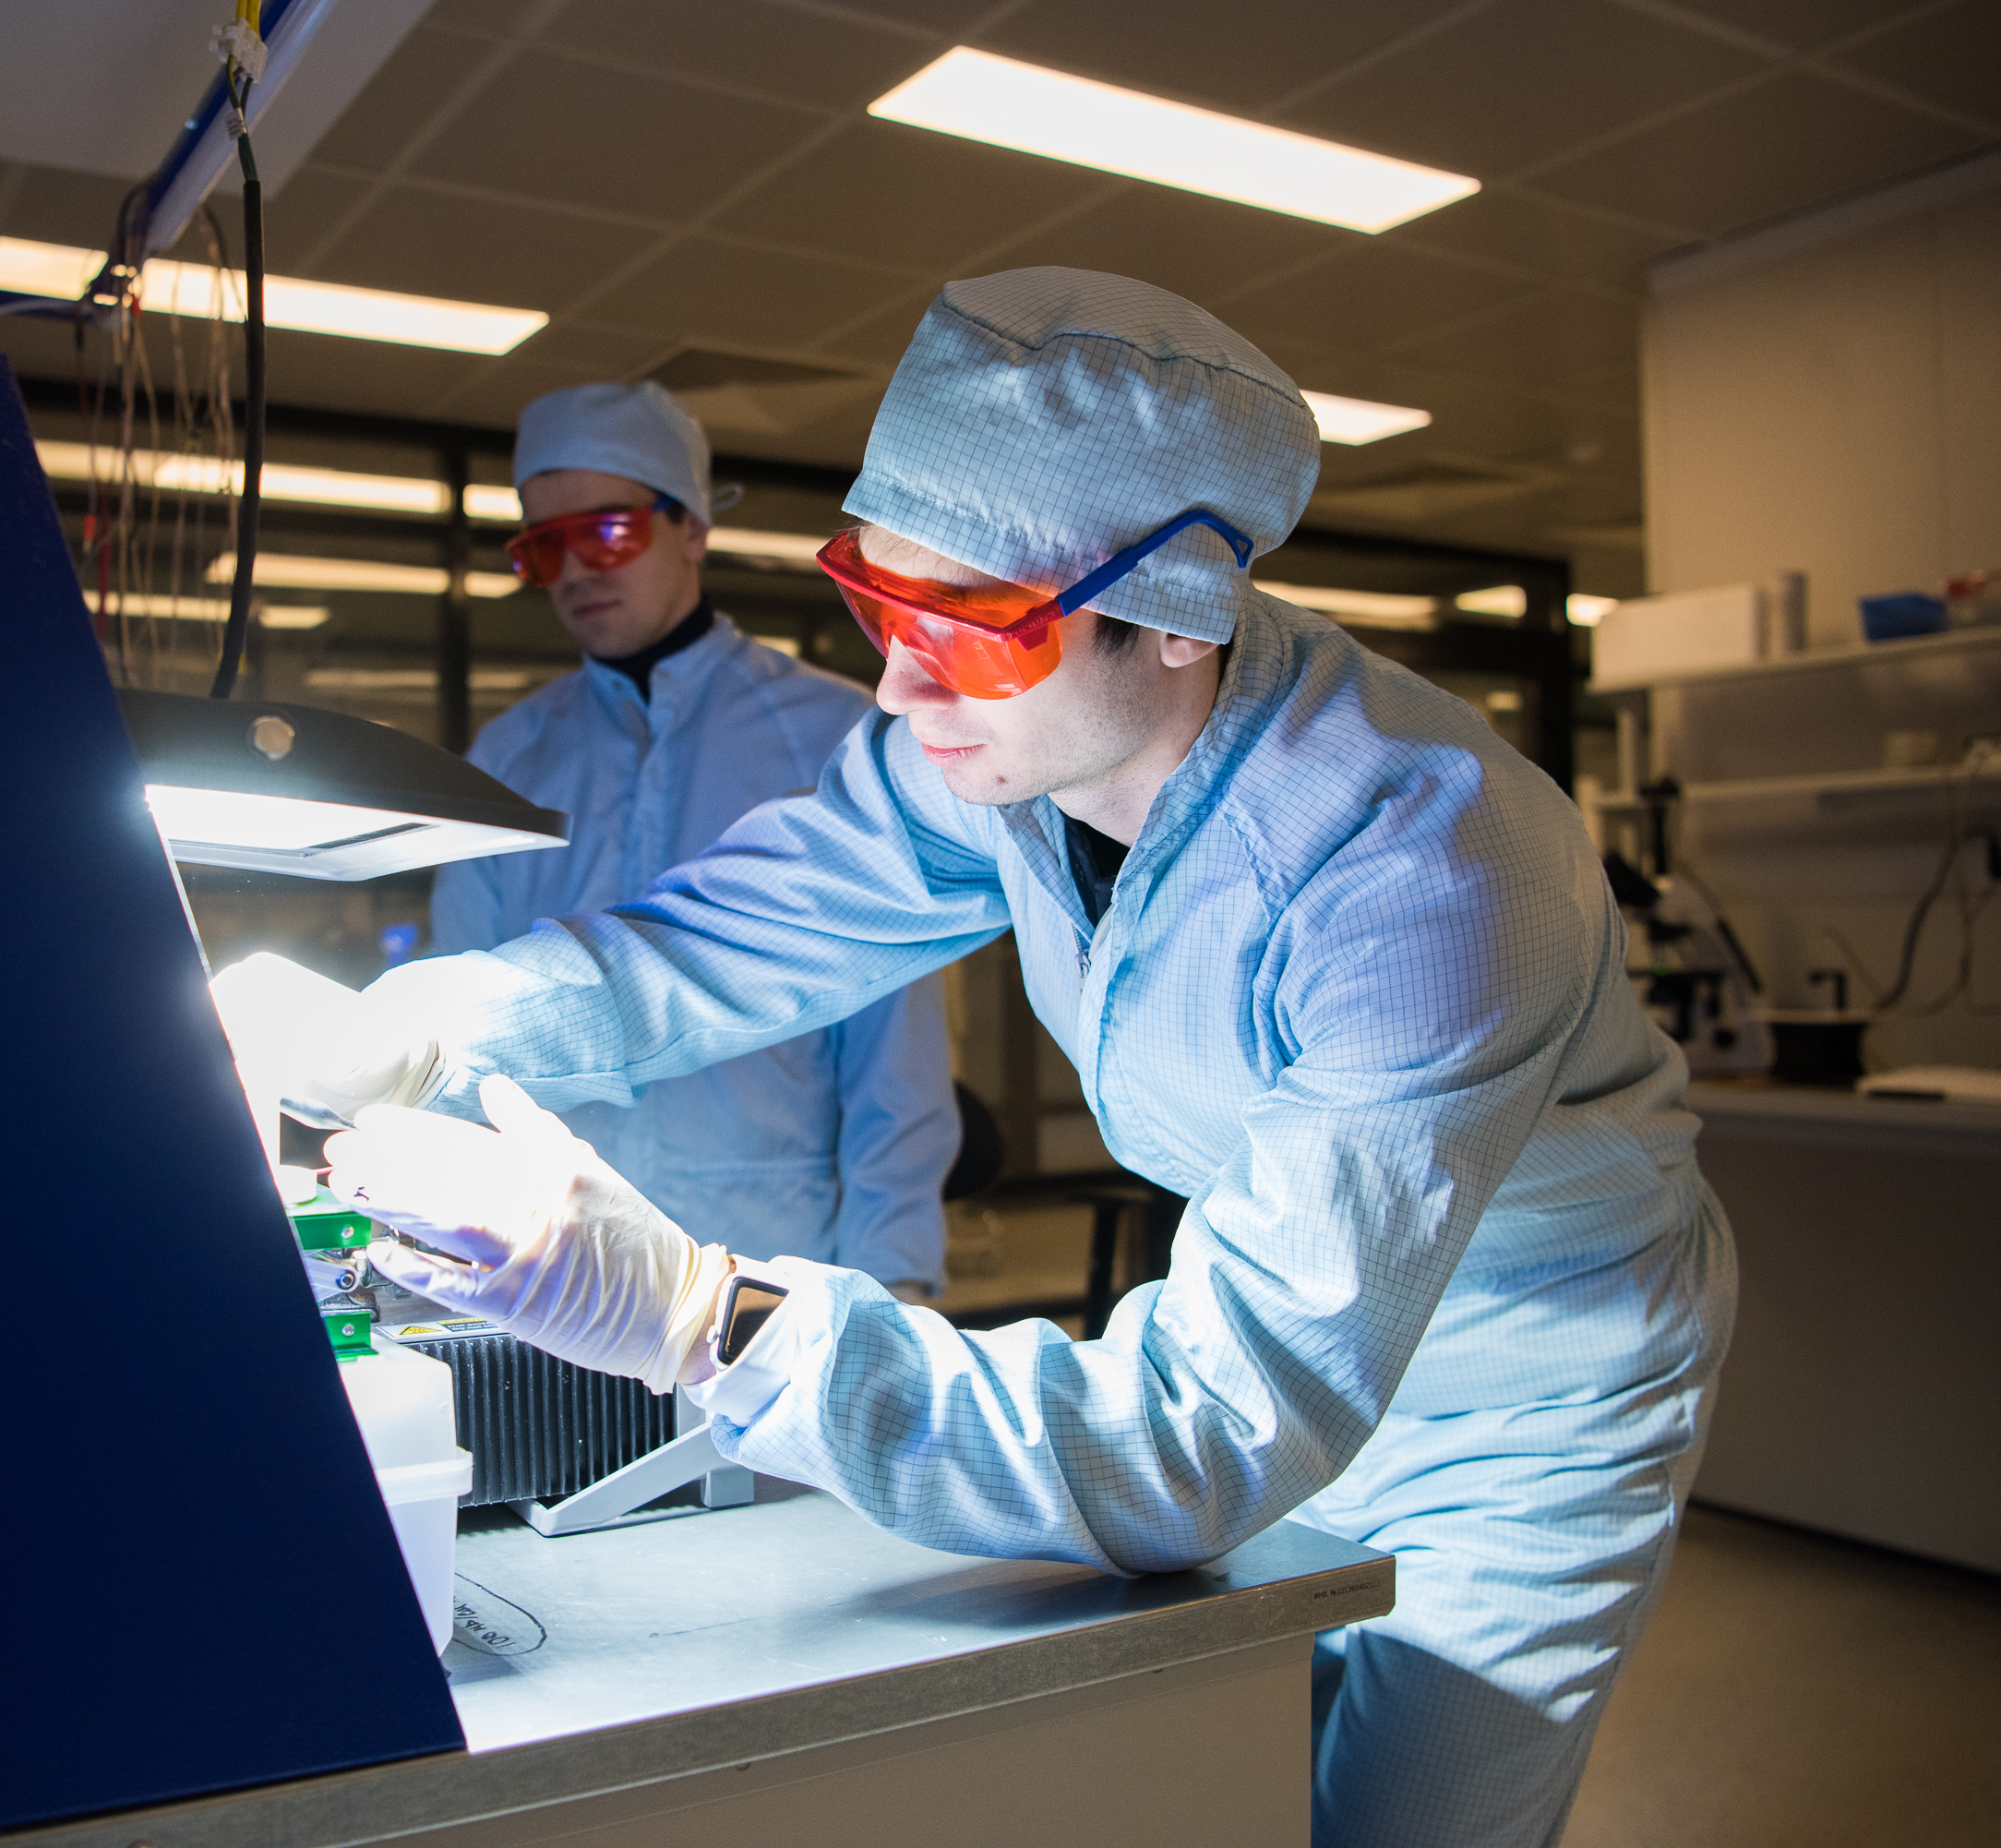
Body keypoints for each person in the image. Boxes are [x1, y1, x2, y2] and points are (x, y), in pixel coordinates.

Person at [239, 270, 1734, 1848]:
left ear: (1182, 613)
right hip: (1277, 1309)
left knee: (1397, 1826)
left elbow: (1200, 1440)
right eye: (882, 605)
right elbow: (721, 939)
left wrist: (705, 1315)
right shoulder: (1001, 751)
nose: (898, 685)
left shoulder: (1428, 873)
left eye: (965, 625)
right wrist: (410, 1025)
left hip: (1517, 1396)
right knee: (1228, 1780)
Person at [435, 379, 957, 1298]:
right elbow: (460, 1035)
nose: (577, 570)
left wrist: (895, 1279)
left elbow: (895, 1056)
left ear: (693, 527)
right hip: (551, 1268)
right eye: (546, 546)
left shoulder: (833, 737)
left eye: (608, 531)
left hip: (774, 1265)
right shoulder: (509, 759)